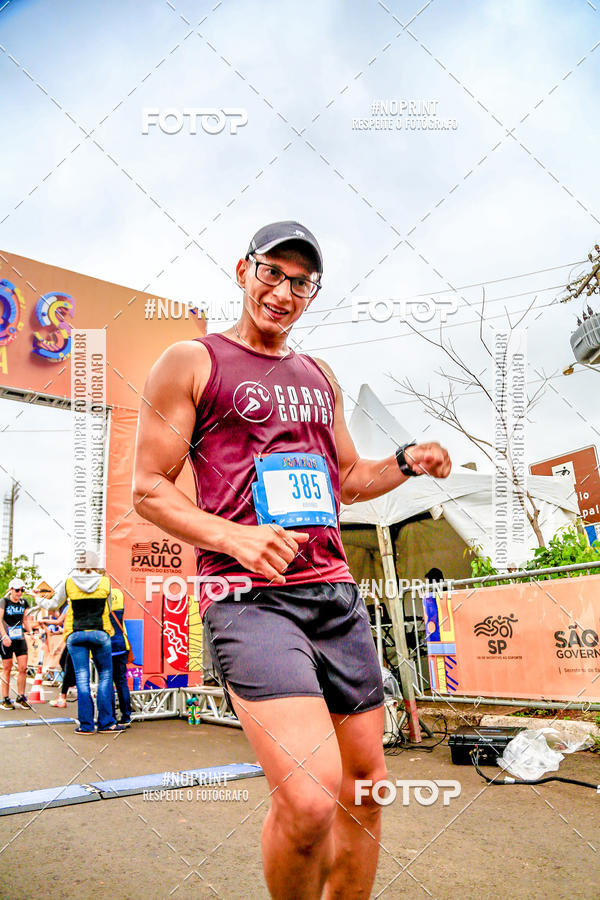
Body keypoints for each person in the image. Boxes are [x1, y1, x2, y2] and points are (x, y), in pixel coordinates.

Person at [133, 220, 451, 899]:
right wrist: (235, 537)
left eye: (301, 283)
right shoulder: (191, 361)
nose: (282, 292)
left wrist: (405, 461)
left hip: (333, 596)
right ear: (242, 270)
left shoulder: (319, 375)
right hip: (249, 600)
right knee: (309, 800)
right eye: (271, 273)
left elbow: (348, 480)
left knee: (366, 788)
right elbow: (149, 487)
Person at [53, 553, 125, 735]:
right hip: (100, 633)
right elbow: (109, 609)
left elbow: (53, 604)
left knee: (82, 679)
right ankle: (106, 723)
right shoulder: (105, 582)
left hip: (76, 634)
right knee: (106, 676)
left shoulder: (69, 582)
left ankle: (86, 725)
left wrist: (38, 599)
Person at [0, 577, 33, 710]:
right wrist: (4, 636)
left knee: (23, 668)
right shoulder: (4, 601)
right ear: (11, 590)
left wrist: (31, 633)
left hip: (19, 637)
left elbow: (25, 620)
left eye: (22, 590)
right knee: (7, 668)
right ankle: (5, 698)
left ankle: (21, 696)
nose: (19, 593)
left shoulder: (23, 602)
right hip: (6, 638)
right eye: (17, 590)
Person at [109, 587, 132, 727]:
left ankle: (110, 717)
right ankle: (126, 716)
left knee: (107, 682)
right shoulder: (118, 593)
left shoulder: (99, 596)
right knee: (122, 681)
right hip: (121, 645)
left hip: (106, 646)